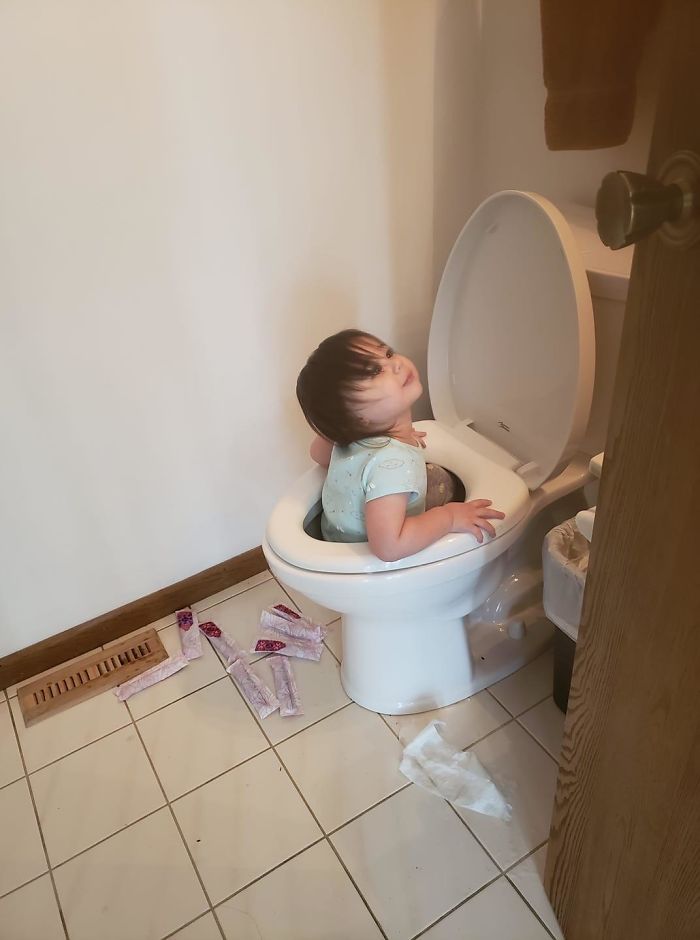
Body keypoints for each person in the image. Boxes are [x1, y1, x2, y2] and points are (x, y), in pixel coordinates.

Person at [296, 329, 505, 561]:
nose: (395, 364)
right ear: (356, 418)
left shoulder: (351, 435)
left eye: (387, 354)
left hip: (336, 538)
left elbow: (317, 454)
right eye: (375, 371)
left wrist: (344, 426)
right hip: (374, 557)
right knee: (444, 482)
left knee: (435, 475)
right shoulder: (394, 464)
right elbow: (389, 547)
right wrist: (449, 517)